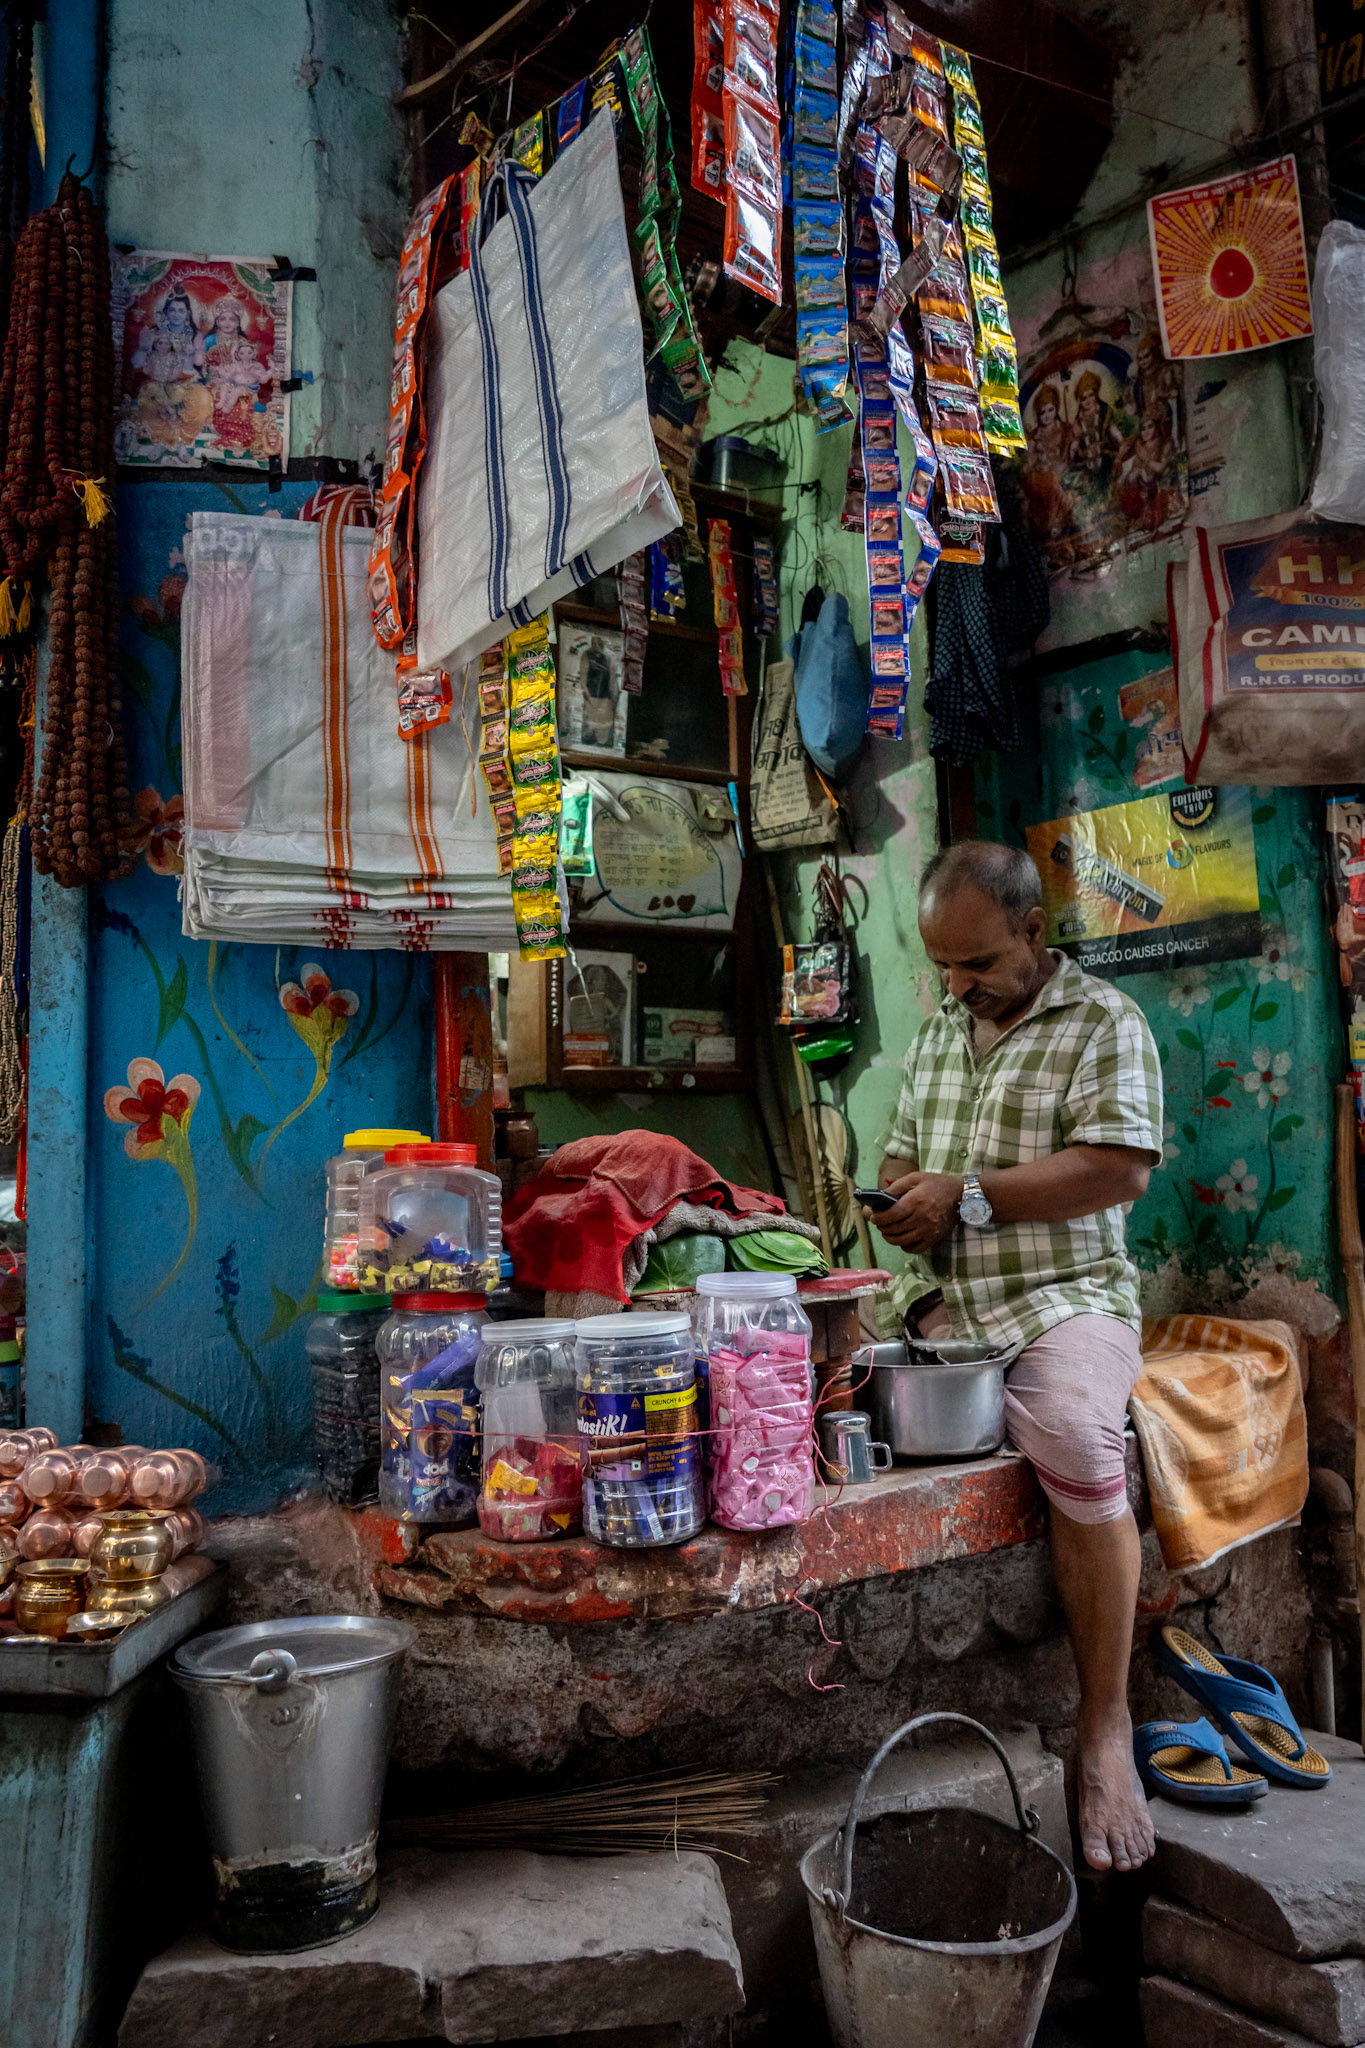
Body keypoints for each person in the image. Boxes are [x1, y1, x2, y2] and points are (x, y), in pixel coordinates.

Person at [869, 840, 1163, 1874]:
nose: (957, 986)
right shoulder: (942, 1030)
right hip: (947, 1306)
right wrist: (909, 1199)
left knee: (1084, 1443)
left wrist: (972, 1191)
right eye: (942, 965)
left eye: (979, 965)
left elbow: (1117, 1167)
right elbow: (904, 1156)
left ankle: (1107, 1727)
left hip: (1062, 1298)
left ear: (1035, 932)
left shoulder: (1105, 1025)